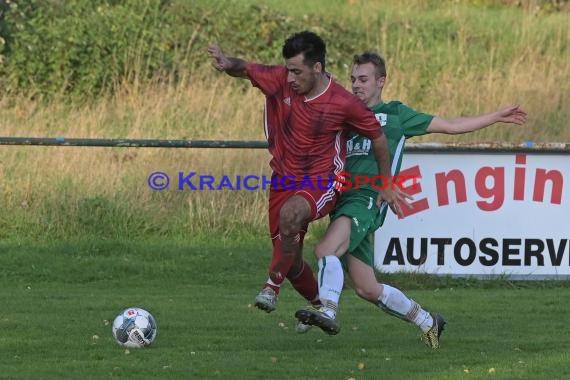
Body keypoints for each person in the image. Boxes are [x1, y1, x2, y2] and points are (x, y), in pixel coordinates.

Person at [295, 51, 528, 348]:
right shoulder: (347, 116)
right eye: (353, 79)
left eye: (363, 79)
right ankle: (428, 321)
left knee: (326, 248)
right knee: (366, 288)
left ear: (381, 81)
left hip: (369, 198)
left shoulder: (397, 115)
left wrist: (495, 116)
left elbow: (451, 125)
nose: (356, 85)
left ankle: (326, 308)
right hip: (344, 201)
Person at [207, 33, 407, 315]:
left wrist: (385, 183)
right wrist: (227, 62)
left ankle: (270, 287)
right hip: (283, 179)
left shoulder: (342, 101)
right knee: (291, 260)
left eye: (297, 71)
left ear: (317, 68)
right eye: (288, 69)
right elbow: (245, 68)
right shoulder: (280, 79)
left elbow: (378, 138)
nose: (290, 78)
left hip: (323, 179)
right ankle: (319, 306)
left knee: (291, 218)